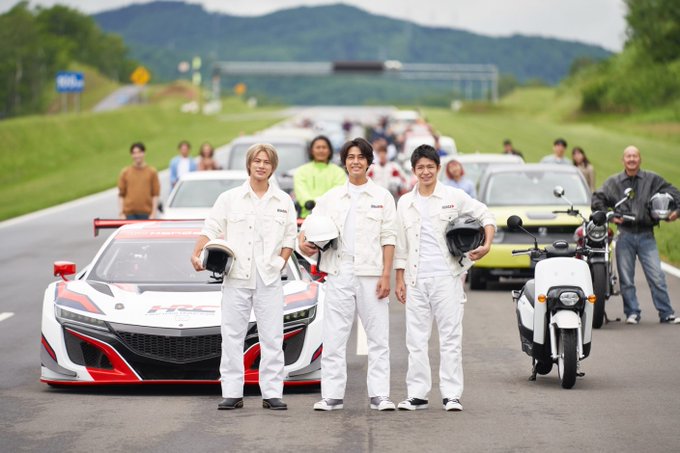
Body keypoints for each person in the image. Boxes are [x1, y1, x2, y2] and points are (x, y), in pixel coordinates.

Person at [191, 143, 297, 410]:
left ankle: (272, 393)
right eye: (257, 161)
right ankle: (232, 392)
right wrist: (197, 253)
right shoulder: (229, 198)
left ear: (273, 167)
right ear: (249, 164)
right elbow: (211, 227)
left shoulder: (283, 201)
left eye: (267, 162)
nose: (261, 165)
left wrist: (281, 261)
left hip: (269, 278)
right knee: (232, 336)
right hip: (236, 276)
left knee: (272, 337)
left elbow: (290, 237)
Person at [299, 137, 397, 412]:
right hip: (339, 271)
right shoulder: (331, 197)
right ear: (344, 162)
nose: (356, 162)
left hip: (371, 273)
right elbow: (306, 229)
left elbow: (389, 238)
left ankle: (380, 395)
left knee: (378, 337)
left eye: (361, 157)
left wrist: (386, 275)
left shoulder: (382, 197)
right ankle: (331, 395)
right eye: (351, 157)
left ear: (368, 162)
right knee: (334, 337)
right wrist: (303, 242)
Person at [394, 144, 495, 412]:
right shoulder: (405, 202)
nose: (425, 172)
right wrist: (399, 279)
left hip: (447, 277)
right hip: (416, 279)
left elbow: (486, 215)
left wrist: (486, 244)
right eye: (420, 167)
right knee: (416, 340)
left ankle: (451, 395)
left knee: (450, 338)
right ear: (413, 170)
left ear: (438, 168)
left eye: (430, 167)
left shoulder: (454, 196)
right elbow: (401, 245)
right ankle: (417, 395)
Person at [592, 145, 680, 324]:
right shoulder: (613, 182)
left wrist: (675, 213)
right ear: (623, 160)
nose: (631, 159)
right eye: (628, 156)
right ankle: (632, 313)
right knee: (626, 279)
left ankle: (666, 313)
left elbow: (676, 194)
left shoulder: (653, 179)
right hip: (625, 235)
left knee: (657, 277)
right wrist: (611, 216)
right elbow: (597, 199)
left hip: (647, 235)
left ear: (640, 159)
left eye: (635, 156)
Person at [293, 135, 347, 218]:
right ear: (311, 151)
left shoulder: (339, 172)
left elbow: (338, 191)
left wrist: (321, 203)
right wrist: (309, 202)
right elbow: (301, 191)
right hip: (307, 216)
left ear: (329, 151)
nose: (321, 150)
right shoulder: (301, 171)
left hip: (332, 216)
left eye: (324, 147)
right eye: (318, 147)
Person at [117, 142, 160, 220]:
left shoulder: (152, 172)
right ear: (131, 155)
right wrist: (121, 213)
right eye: (134, 153)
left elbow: (155, 194)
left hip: (147, 214)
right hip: (129, 214)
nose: (137, 155)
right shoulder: (125, 172)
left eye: (139, 152)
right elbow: (121, 194)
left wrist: (153, 213)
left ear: (144, 153)